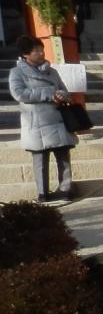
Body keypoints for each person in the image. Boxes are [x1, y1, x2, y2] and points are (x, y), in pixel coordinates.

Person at [8, 35, 77, 203]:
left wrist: (62, 95)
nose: (41, 53)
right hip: (36, 122)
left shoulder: (52, 71)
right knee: (40, 160)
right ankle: (43, 193)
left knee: (63, 157)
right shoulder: (17, 72)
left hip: (58, 119)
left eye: (41, 49)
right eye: (36, 51)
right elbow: (19, 94)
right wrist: (48, 93)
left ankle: (66, 189)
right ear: (25, 54)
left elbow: (64, 90)